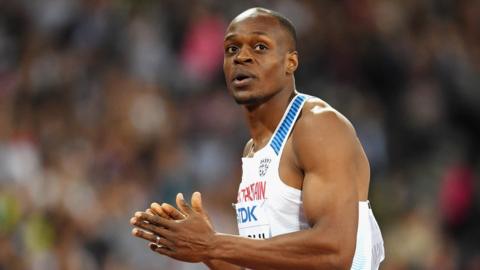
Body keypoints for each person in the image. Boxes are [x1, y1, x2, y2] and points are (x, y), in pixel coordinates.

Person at [130, 7, 384, 270]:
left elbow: (335, 252)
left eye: (260, 47)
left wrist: (213, 244)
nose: (242, 57)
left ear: (291, 62)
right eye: (232, 49)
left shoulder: (316, 126)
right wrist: (204, 251)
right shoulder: (252, 150)